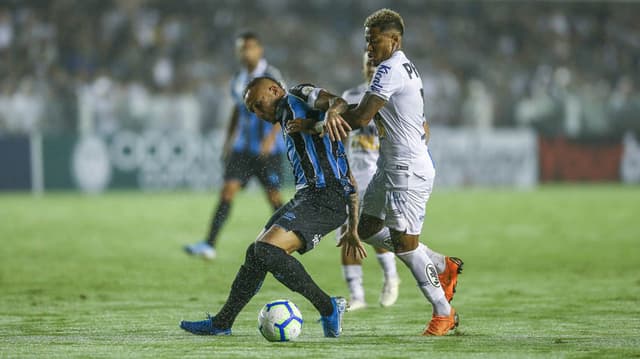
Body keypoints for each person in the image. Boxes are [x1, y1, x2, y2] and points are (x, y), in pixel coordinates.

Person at [308, 9, 463, 336]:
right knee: (366, 227)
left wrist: (320, 126)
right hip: (390, 166)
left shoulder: (389, 69)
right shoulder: (401, 65)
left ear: (394, 40)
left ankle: (443, 312)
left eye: (374, 41)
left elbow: (362, 117)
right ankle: (440, 264)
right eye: (366, 41)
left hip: (406, 169)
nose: (368, 48)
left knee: (406, 245)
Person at [179, 76, 367, 338]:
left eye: (258, 105)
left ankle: (328, 307)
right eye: (252, 110)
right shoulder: (285, 119)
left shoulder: (299, 95)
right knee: (256, 254)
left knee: (267, 249)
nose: (257, 113)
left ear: (274, 90)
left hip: (327, 197)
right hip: (309, 195)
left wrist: (330, 113)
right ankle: (222, 323)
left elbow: (338, 103)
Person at [293, 53, 400, 311]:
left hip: (380, 173)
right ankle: (357, 295)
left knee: (372, 228)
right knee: (346, 231)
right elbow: (337, 133)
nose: (373, 67)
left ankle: (391, 276)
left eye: (377, 63)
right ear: (363, 67)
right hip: (352, 173)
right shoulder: (351, 96)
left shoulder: (393, 96)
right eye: (369, 63)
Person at [184, 31, 285, 260]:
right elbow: (237, 111)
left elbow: (284, 107)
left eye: (249, 47)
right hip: (242, 148)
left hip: (268, 150)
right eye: (241, 48)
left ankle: (290, 239)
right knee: (227, 190)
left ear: (260, 50)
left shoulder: (271, 76)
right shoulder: (238, 78)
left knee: (274, 197)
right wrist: (229, 140)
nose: (245, 52)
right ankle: (209, 244)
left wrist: (269, 140)